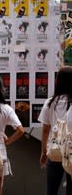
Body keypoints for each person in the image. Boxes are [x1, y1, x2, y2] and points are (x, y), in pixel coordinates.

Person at [38, 66, 72, 194]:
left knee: (51, 190)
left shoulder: (50, 103)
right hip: (71, 151)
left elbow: (46, 130)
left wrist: (43, 152)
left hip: (55, 150)